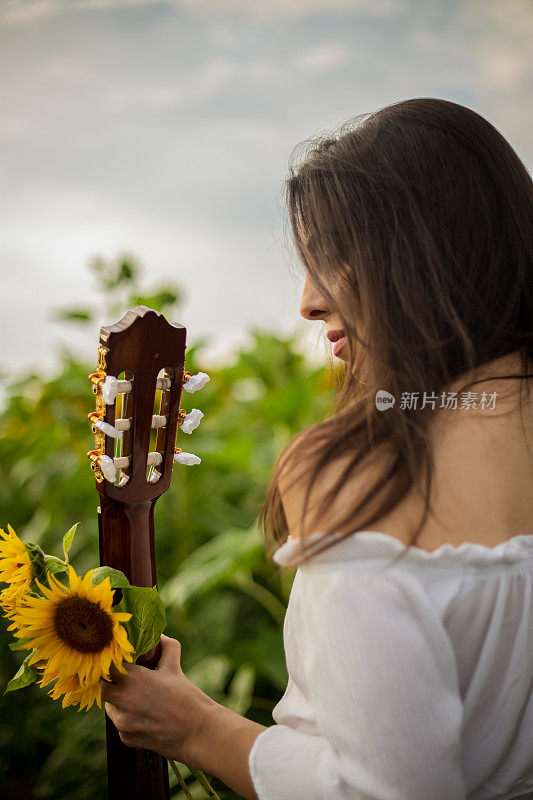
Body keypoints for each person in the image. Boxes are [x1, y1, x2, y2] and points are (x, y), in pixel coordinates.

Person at [101, 97, 533, 799]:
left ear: (424, 251)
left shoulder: (363, 469)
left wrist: (197, 729)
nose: (306, 301)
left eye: (331, 255)